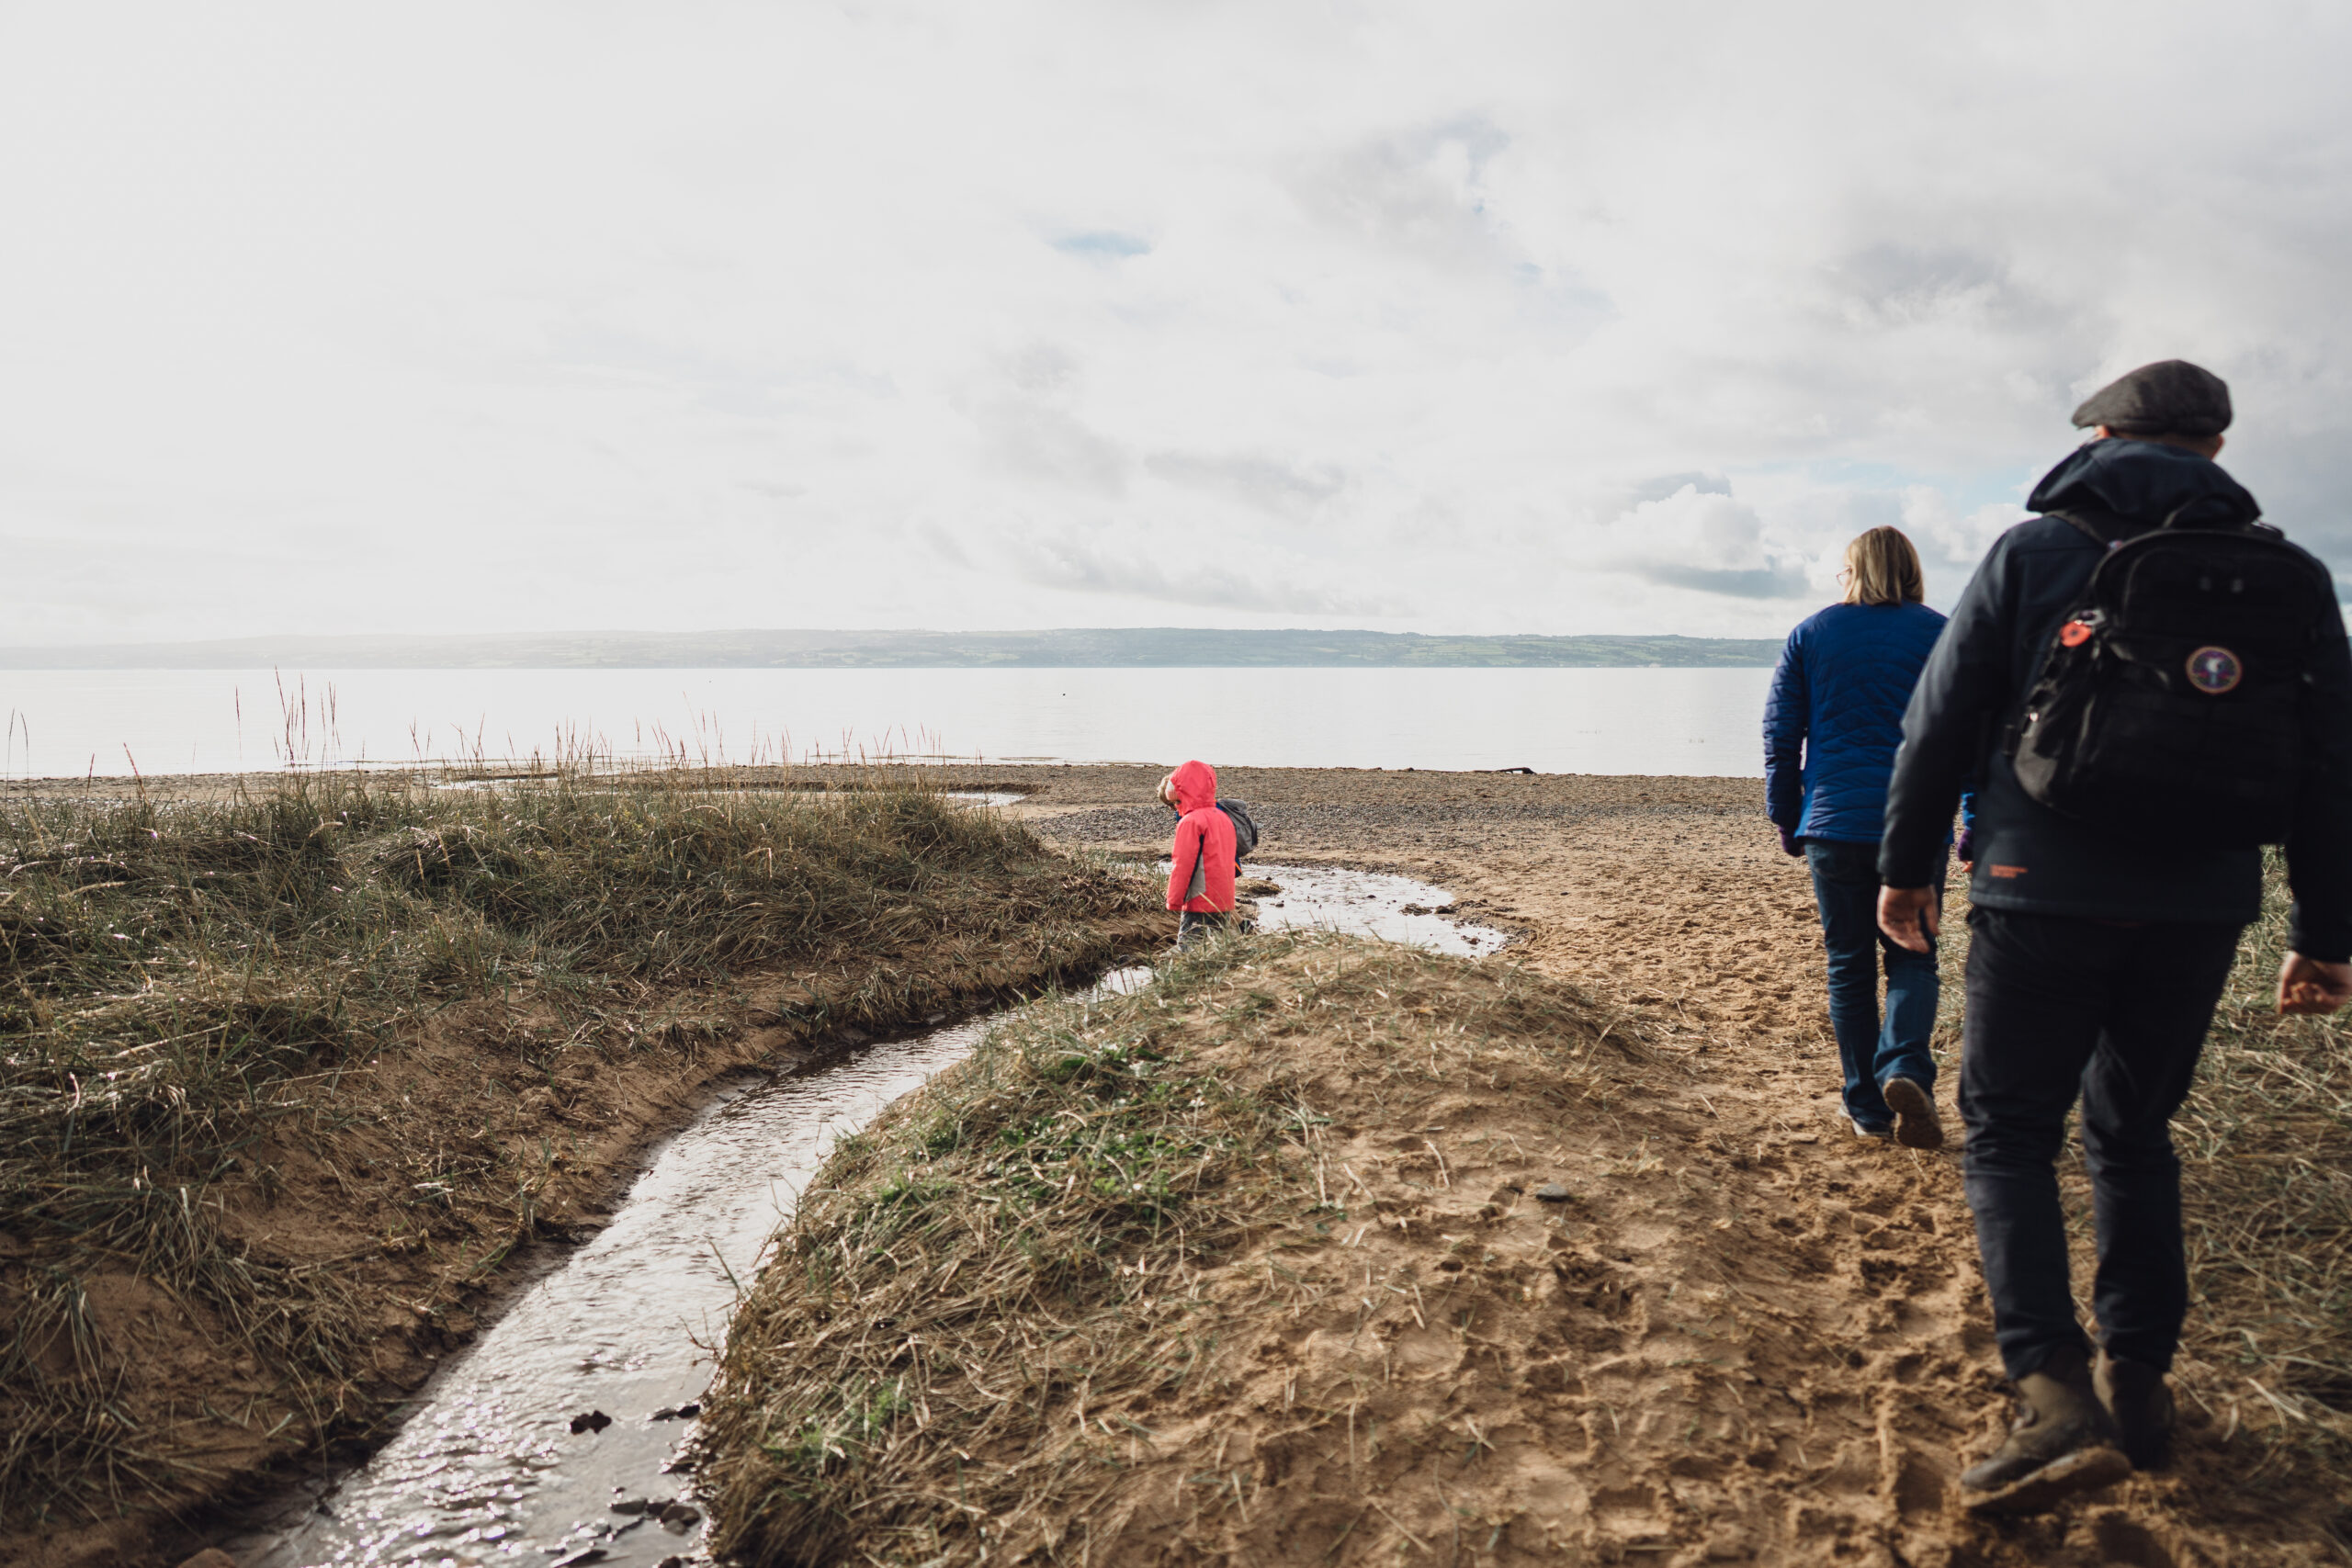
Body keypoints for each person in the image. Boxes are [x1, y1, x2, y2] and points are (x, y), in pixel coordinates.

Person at [1876, 359, 2352, 1510]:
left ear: (2098, 435)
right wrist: (2325, 931)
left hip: (2039, 885)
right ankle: (2140, 1384)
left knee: (2005, 1135)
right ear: (2216, 452)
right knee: (2134, 1135)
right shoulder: (2289, 574)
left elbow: (1935, 723)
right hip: (2200, 903)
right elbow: (2333, 764)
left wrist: (1901, 872)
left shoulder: (2035, 552)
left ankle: (2051, 1395)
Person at [1764, 525, 1958, 1149]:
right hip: (1918, 821)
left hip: (1835, 823)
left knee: (1848, 963)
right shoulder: (1940, 632)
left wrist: (1787, 814)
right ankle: (1903, 1064)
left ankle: (1867, 1108)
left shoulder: (1811, 633)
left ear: (1852, 570)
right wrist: (1974, 818)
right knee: (1913, 952)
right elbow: (1970, 731)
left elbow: (1781, 736)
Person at [1161, 760, 1238, 947]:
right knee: (1217, 950)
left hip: (1200, 898)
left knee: (1188, 948)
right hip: (1223, 898)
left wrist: (1174, 899)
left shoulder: (1190, 822)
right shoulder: (1223, 817)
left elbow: (1183, 865)